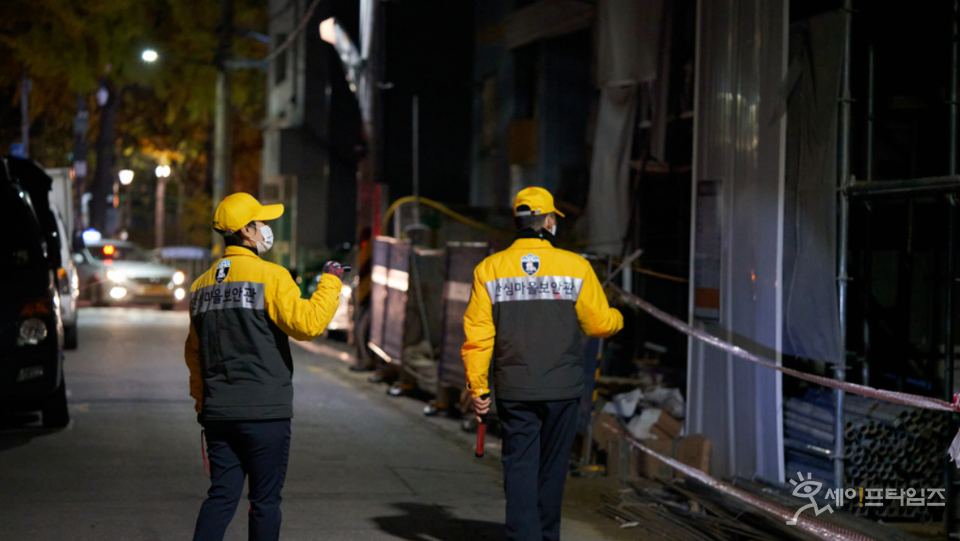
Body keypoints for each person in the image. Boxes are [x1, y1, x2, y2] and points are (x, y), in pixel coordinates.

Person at [462, 187, 624, 541]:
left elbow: (478, 336)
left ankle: (523, 536)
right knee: (552, 469)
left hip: (515, 387)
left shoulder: (489, 269)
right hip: (562, 388)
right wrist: (618, 317)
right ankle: (547, 536)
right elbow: (599, 324)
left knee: (519, 465)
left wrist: (479, 389)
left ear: (517, 223)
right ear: (549, 221)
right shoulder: (575, 267)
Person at [184, 192, 345, 541]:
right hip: (265, 413)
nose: (265, 229)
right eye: (261, 223)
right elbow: (307, 325)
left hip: (218, 413)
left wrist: (203, 405)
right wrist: (330, 281)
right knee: (265, 502)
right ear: (246, 231)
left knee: (221, 497)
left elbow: (195, 355)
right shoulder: (270, 276)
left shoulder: (200, 286)